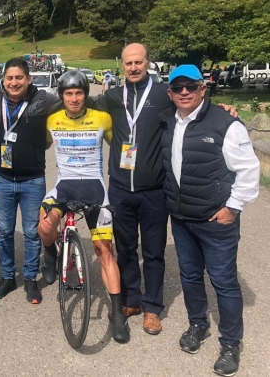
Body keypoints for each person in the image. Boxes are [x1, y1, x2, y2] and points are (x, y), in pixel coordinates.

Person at [92, 43, 237, 336]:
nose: (133, 67)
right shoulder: (110, 97)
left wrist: (224, 108)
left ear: (148, 64)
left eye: (139, 62)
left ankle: (152, 308)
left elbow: (194, 105)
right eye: (128, 63)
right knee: (126, 248)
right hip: (120, 187)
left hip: (155, 189)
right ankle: (131, 300)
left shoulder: (163, 94)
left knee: (154, 251)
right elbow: (78, 106)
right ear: (122, 66)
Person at [160, 65, 259, 377]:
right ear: (171, 93)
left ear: (204, 89)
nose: (185, 92)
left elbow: (249, 171)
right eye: (178, 88)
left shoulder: (225, 123)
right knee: (190, 277)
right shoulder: (167, 119)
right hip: (181, 217)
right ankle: (198, 325)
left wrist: (233, 207)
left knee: (224, 282)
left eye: (191, 86)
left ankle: (231, 343)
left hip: (216, 221)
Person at [38, 70, 129, 343]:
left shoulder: (102, 118)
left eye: (79, 93)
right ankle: (50, 254)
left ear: (85, 95)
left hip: (94, 187)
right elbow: (34, 143)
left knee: (104, 252)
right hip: (64, 185)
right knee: (43, 225)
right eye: (69, 93)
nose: (74, 98)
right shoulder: (52, 120)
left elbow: (124, 141)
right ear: (62, 96)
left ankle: (117, 313)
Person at [0, 57, 62, 304]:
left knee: (31, 232)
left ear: (28, 79)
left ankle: (30, 278)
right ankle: (8, 277)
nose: (14, 82)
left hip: (32, 180)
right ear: (3, 80)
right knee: (5, 232)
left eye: (19, 77)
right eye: (10, 78)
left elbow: (73, 102)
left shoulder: (43, 99)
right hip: (2, 179)